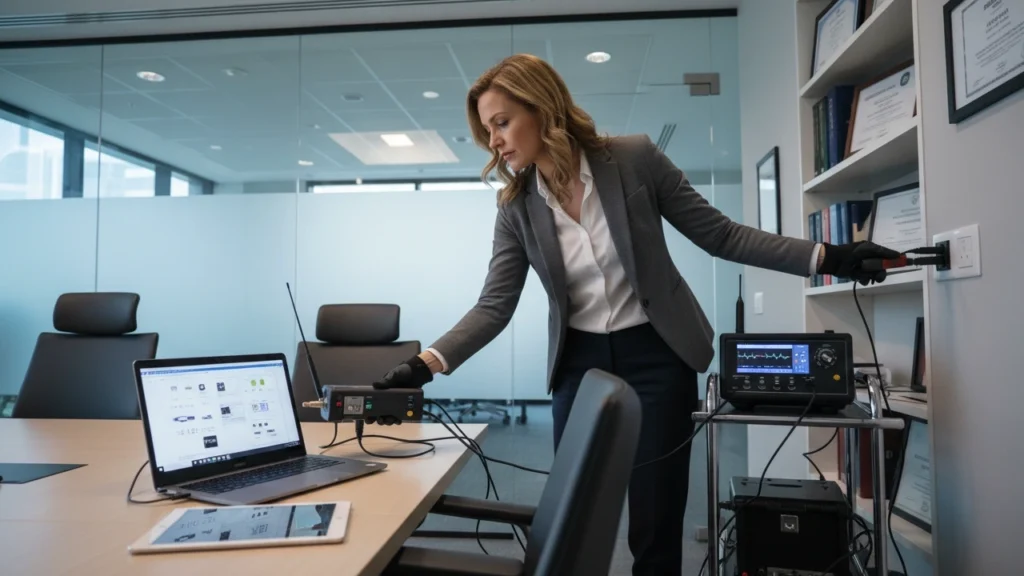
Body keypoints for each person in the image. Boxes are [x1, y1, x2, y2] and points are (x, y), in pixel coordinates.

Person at [373, 54, 897, 575]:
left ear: (542, 108)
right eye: (487, 130)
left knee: (656, 519)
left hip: (657, 356)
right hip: (579, 365)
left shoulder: (632, 159)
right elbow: (495, 305)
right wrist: (425, 364)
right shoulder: (516, 207)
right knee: (575, 514)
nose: (495, 142)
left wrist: (827, 257)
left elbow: (720, 234)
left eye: (502, 123)